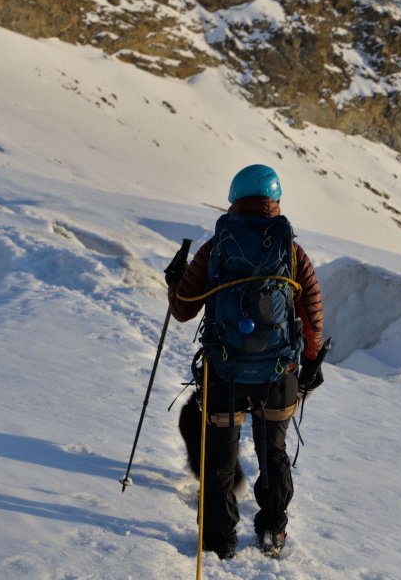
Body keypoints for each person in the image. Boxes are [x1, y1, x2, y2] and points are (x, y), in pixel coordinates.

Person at [165, 164, 324, 560]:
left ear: (234, 199)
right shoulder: (291, 250)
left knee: (220, 455)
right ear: (276, 202)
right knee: (273, 452)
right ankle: (273, 531)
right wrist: (307, 360)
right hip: (278, 373)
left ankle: (219, 541)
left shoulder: (216, 248)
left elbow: (184, 310)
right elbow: (312, 315)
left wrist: (175, 281)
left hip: (225, 371)